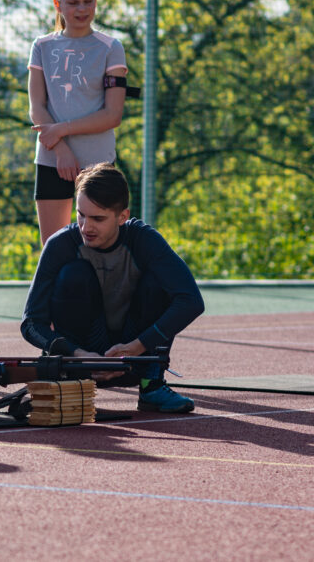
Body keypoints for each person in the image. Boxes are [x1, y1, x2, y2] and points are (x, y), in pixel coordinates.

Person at [20, 163, 203, 413]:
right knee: (74, 274)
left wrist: (138, 346)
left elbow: (192, 301)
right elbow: (30, 323)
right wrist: (77, 354)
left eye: (98, 218)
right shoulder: (60, 245)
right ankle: (73, 381)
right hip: (81, 363)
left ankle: (151, 385)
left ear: (122, 216)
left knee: (158, 282)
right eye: (80, 215)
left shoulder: (144, 240)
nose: (86, 227)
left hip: (134, 357)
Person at [28, 0, 128, 245]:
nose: (82, 9)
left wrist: (60, 130)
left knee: (100, 247)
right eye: (73, 3)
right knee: (53, 248)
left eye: (89, 1)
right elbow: (36, 107)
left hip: (99, 162)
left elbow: (112, 115)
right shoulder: (42, 46)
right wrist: (60, 149)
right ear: (58, 4)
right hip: (51, 159)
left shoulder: (111, 47)